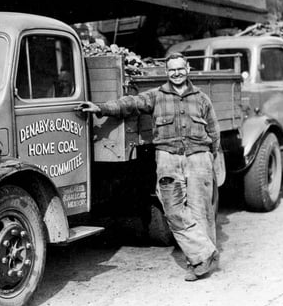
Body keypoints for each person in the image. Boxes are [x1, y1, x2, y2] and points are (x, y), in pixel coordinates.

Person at [78, 52, 220, 281]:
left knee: (199, 210)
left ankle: (198, 262)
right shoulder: (157, 96)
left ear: (188, 69)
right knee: (173, 211)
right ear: (167, 72)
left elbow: (213, 131)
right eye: (172, 70)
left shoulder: (202, 98)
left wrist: (212, 157)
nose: (176, 73)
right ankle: (207, 252)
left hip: (198, 158)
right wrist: (102, 108)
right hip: (168, 160)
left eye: (180, 69)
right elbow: (131, 103)